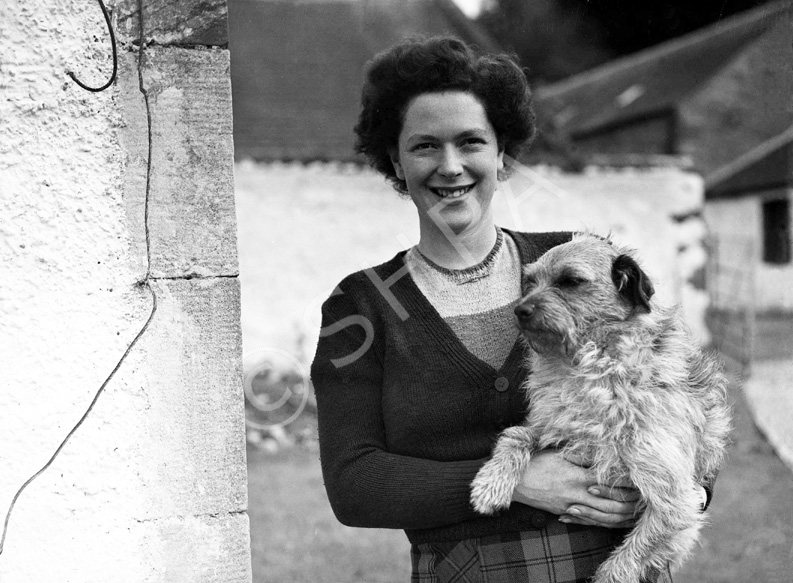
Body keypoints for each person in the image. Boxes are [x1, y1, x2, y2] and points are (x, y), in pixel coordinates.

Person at [311, 36, 707, 582]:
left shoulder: (573, 256)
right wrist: (520, 480)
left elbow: (687, 404)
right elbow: (355, 485)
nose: (451, 166)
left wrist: (685, 493)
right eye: (424, 146)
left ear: (501, 154)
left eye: (471, 141)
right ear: (394, 162)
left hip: (613, 568)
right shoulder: (360, 309)